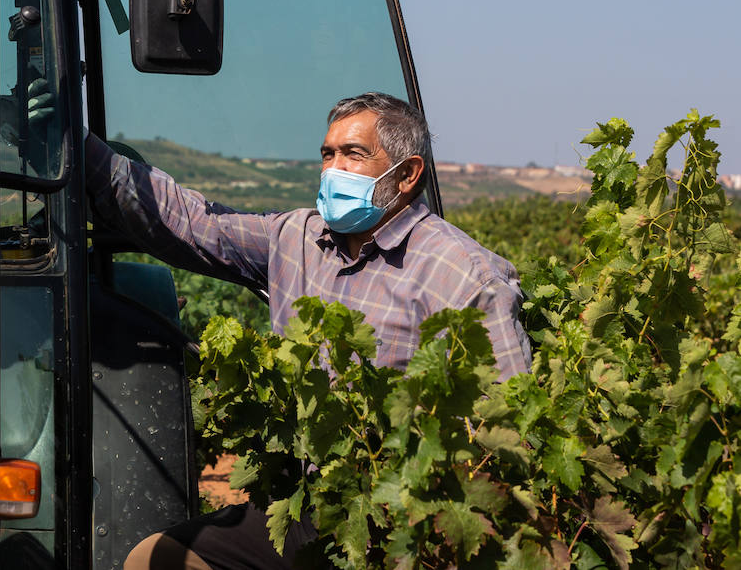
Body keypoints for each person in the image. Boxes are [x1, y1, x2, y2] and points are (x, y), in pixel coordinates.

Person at [83, 92, 532, 570]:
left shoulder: (465, 277)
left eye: (353, 154)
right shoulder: (297, 238)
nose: (332, 168)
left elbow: (509, 434)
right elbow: (191, 222)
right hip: (307, 507)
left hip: (399, 524)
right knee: (158, 560)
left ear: (407, 174)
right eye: (327, 154)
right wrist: (76, 144)